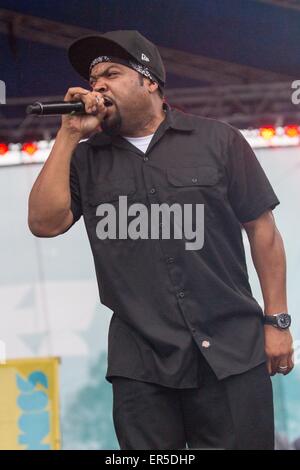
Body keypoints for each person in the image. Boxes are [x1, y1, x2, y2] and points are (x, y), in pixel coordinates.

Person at [28, 30, 294, 450]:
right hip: (141, 361)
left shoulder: (218, 140)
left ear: (149, 80)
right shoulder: (84, 158)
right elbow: (44, 223)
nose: (97, 85)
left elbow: (263, 231)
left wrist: (277, 320)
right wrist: (68, 135)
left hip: (230, 350)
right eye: (93, 78)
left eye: (111, 74)